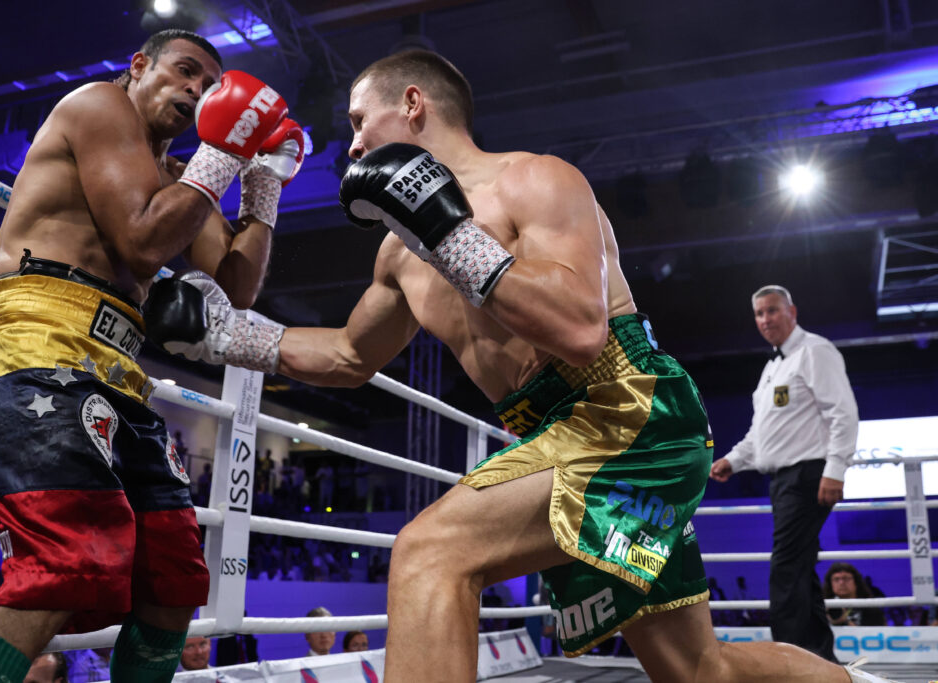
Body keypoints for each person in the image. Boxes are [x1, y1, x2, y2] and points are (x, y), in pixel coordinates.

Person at [147, 49, 894, 683]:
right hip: (552, 432)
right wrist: (226, 333)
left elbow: (579, 326)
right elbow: (348, 355)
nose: (349, 145)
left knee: (431, 551)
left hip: (626, 407)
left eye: (357, 121)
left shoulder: (535, 180)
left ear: (413, 106)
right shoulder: (396, 254)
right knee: (698, 669)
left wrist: (450, 228)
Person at [0, 28, 303, 683]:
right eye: (187, 72)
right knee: (65, 563)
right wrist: (222, 150)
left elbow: (237, 288)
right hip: (40, 345)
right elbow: (142, 243)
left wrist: (262, 182)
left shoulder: (180, 178)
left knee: (175, 574)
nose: (198, 90)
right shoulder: (99, 105)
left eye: (211, 86)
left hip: (120, 374)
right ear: (139, 66)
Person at [710, 285, 860, 662]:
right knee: (800, 569)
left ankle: (788, 662)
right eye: (759, 314)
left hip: (808, 475)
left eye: (772, 311)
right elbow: (762, 434)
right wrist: (733, 460)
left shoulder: (815, 351)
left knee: (785, 569)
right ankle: (819, 660)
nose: (765, 320)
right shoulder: (773, 367)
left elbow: (843, 413)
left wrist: (836, 468)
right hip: (782, 481)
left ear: (792, 311)